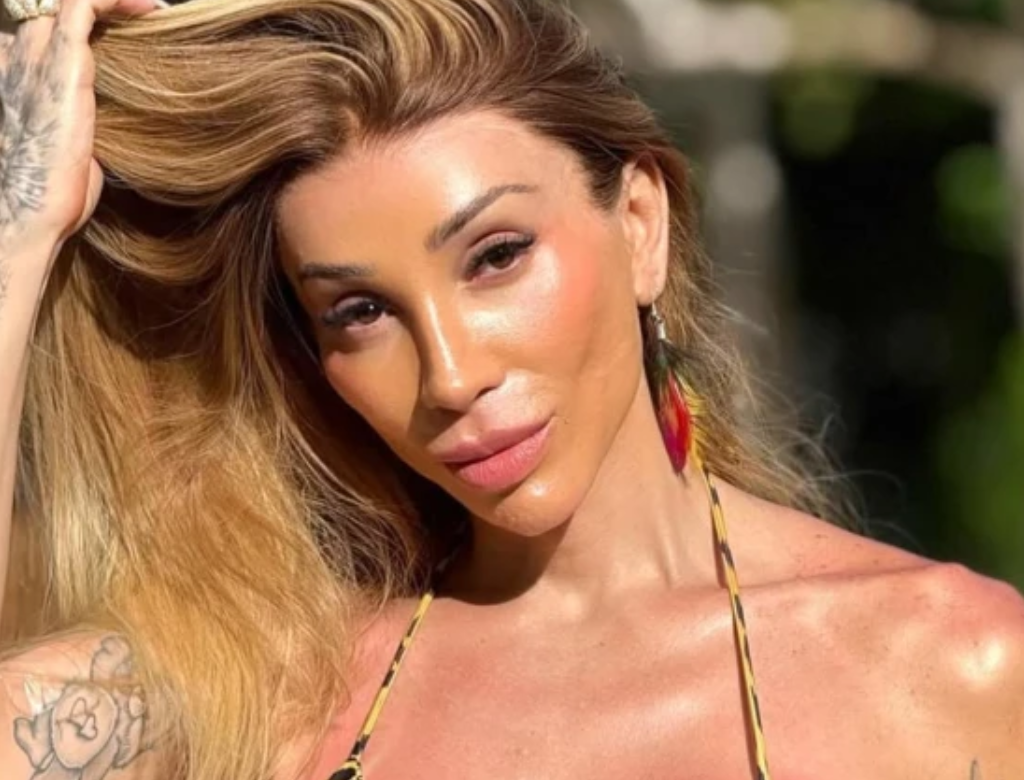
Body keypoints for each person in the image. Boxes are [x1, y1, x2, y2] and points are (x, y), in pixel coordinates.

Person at [0, 0, 1022, 777]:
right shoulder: (268, 692)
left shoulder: (954, 664)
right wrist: (19, 227)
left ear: (640, 225)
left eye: (495, 256)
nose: (451, 376)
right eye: (360, 311)